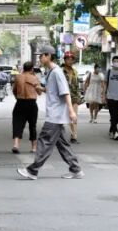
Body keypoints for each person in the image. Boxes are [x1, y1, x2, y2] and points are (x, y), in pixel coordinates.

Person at [17, 48, 82, 180]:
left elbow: (65, 92)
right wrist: (41, 89)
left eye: (41, 56)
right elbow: (53, 90)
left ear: (48, 56)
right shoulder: (51, 71)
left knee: (44, 141)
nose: (39, 58)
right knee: (62, 144)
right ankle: (76, 169)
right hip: (56, 115)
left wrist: (71, 111)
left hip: (55, 115)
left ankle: (32, 170)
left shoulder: (57, 72)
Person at [11, 61, 43, 154]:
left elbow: (14, 90)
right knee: (32, 125)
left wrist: (18, 98)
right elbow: (39, 93)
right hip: (31, 103)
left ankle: (16, 145)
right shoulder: (34, 78)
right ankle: (34, 147)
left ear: (23, 68)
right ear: (32, 69)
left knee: (17, 124)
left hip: (20, 102)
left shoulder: (18, 77)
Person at [60, 51, 83, 143]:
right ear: (64, 60)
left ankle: (74, 135)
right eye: (68, 59)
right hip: (63, 97)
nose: (70, 61)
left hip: (74, 97)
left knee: (74, 116)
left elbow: (77, 86)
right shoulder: (60, 71)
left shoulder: (75, 72)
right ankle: (59, 135)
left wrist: (79, 97)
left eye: (71, 59)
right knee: (63, 117)